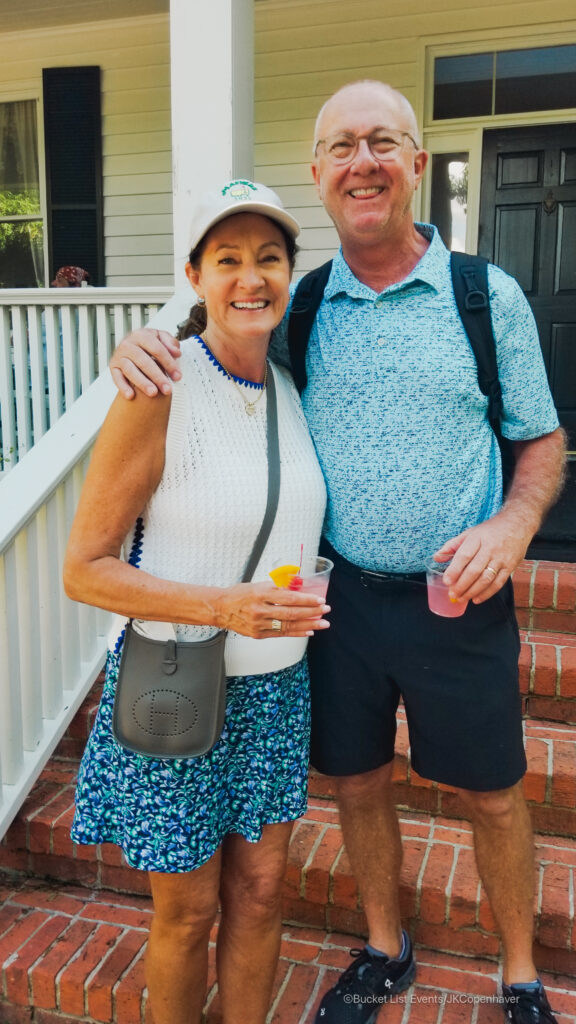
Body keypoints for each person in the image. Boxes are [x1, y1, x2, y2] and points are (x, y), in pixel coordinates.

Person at [108, 82, 566, 1024]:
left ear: (417, 162)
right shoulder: (305, 304)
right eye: (343, 147)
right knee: (356, 783)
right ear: (319, 174)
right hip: (340, 600)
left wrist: (513, 528)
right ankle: (385, 949)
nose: (364, 162)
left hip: (455, 593)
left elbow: (541, 439)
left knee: (491, 793)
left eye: (383, 142)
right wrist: (142, 343)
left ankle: (521, 974)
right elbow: (223, 338)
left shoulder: (485, 297)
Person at [63, 180, 329, 1024]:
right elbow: (84, 569)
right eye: (227, 260)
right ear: (195, 275)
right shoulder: (158, 388)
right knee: (186, 913)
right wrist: (222, 608)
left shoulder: (292, 386)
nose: (250, 278)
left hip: (276, 690)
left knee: (261, 894)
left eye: (269, 259)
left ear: (289, 274)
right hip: (176, 682)